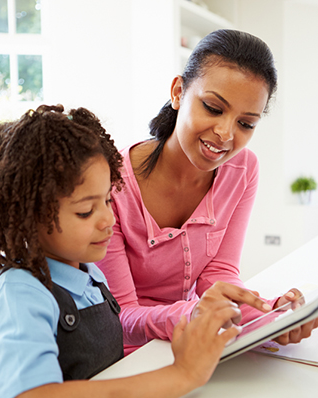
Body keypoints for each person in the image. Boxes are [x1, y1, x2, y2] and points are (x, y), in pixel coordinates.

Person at [0, 104, 248, 398]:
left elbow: (113, 353)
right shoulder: (19, 296)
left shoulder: (89, 276)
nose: (109, 220)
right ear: (25, 218)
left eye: (108, 200)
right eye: (85, 211)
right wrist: (180, 376)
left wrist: (192, 325)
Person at [96, 29, 318, 355]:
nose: (226, 134)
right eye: (213, 108)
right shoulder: (109, 180)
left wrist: (267, 315)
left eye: (246, 123)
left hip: (191, 340)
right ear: (178, 92)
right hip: (124, 355)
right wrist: (196, 313)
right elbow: (122, 315)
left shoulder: (243, 170)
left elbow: (218, 273)